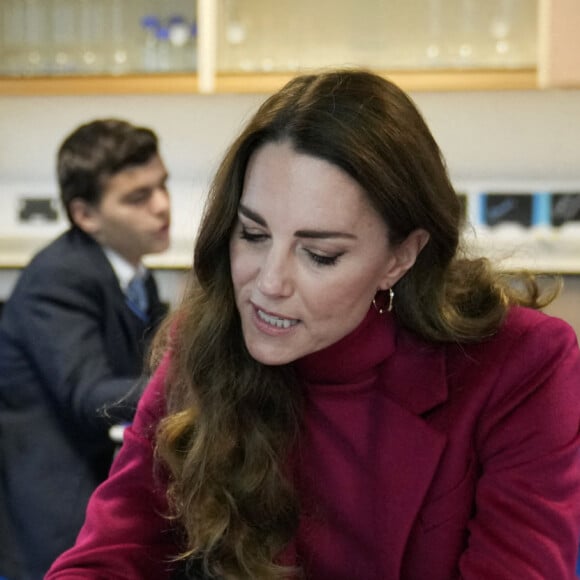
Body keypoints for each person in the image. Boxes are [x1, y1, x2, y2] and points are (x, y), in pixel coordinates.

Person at [47, 70, 580, 580]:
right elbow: (113, 549)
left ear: (400, 256)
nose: (268, 283)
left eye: (320, 254)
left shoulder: (521, 364)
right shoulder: (205, 339)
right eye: (253, 235)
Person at [0, 118, 171, 579]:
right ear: (85, 215)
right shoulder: (61, 275)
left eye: (162, 186)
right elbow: (89, 393)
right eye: (138, 197)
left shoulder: (133, 270)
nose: (163, 206)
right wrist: (192, 381)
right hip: (56, 502)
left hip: (98, 475)